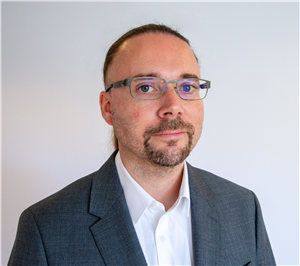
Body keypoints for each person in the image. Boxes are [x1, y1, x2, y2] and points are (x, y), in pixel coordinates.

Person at [8, 24, 276, 266]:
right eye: (146, 87)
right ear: (108, 107)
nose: (173, 107)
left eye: (187, 86)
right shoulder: (45, 228)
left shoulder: (243, 208)